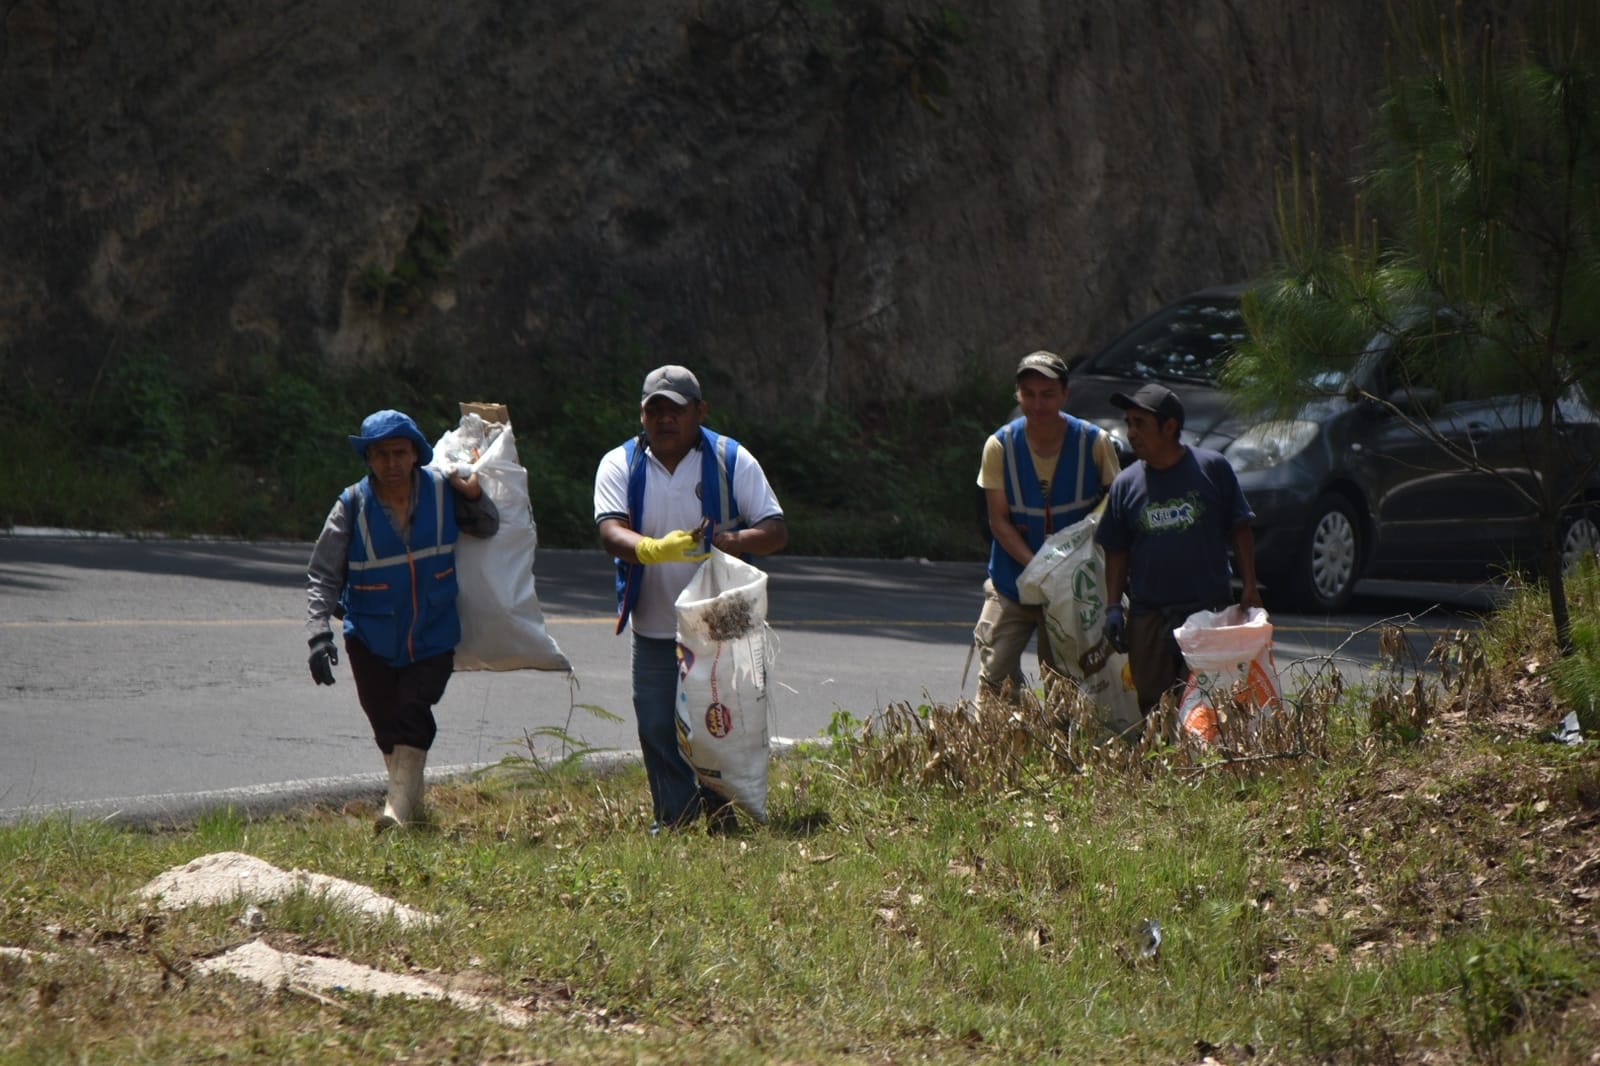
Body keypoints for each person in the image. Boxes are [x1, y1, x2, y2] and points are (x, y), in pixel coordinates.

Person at [594, 365, 787, 833]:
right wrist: (650, 548)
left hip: (719, 629)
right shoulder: (620, 463)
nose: (664, 420)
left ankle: (721, 811)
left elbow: (776, 531)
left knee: (720, 725)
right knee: (658, 727)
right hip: (656, 625)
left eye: (675, 411)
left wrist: (734, 538)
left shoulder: (731, 459)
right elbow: (609, 530)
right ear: (641, 415)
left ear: (699, 412)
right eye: (654, 410)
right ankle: (675, 819)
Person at [305, 408, 500, 832]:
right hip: (369, 637)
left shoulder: (442, 490)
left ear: (416, 454)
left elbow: (488, 526)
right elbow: (322, 574)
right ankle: (411, 806)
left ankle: (396, 810)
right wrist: (319, 634)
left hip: (433, 634)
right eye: (380, 455)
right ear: (368, 460)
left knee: (413, 709)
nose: (391, 464)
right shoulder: (351, 505)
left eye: (399, 452)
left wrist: (471, 494)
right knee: (385, 726)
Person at [1093, 382, 1263, 715]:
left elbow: (1240, 528)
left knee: (1209, 708)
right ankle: (1161, 768)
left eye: (1139, 423)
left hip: (1206, 612)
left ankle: (1206, 768)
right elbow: (1116, 550)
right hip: (1149, 618)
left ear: (1169, 427)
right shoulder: (1125, 484)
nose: (1131, 433)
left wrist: (1250, 587)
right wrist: (1114, 607)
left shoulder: (1212, 469)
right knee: (1155, 710)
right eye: (1128, 423)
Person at [973, 351, 1122, 710]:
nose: (1037, 404)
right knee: (994, 675)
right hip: (1013, 582)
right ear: (1018, 395)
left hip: (1073, 590)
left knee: (1064, 683)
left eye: (1047, 394)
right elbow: (999, 521)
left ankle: (1057, 749)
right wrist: (1040, 567)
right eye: (1028, 394)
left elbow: (1117, 507)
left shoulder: (1094, 442)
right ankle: (1002, 743)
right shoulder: (999, 445)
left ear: (1065, 395)